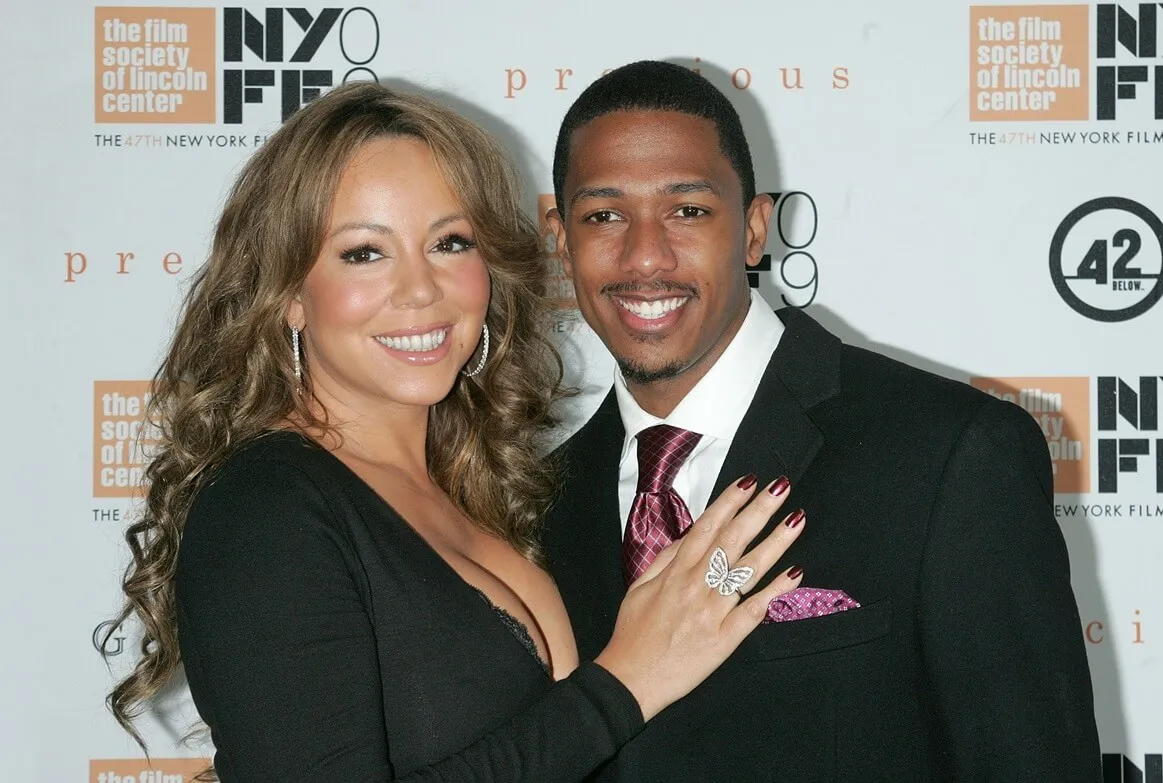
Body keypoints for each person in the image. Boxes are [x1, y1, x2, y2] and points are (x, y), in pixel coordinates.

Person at [103, 81, 810, 782]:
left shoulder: (478, 495)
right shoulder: (268, 508)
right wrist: (624, 684)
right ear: (288, 293)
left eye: (448, 242)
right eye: (364, 252)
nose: (420, 289)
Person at [542, 60, 1103, 781]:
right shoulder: (535, 505)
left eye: (688, 210)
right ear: (561, 241)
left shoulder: (949, 455)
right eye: (604, 215)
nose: (645, 255)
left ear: (752, 230)